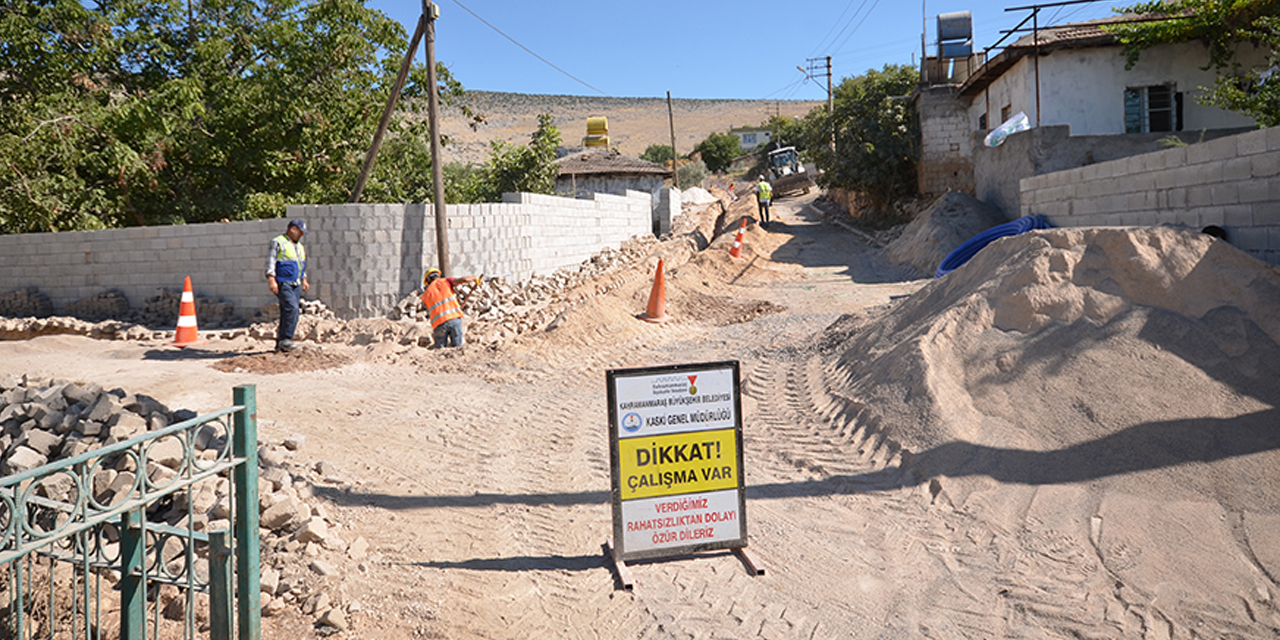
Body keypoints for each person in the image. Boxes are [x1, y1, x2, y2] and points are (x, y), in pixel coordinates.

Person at [266, 219, 309, 353]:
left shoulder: (299, 246)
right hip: (283, 282)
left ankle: (281, 343)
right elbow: (270, 262)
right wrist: (271, 280)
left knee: (288, 312)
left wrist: (304, 279)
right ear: (293, 229)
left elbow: (300, 264)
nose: (301, 235)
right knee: (292, 308)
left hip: (295, 283)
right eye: (300, 232)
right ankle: (286, 339)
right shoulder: (278, 242)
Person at [421, 269, 481, 348]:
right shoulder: (446, 281)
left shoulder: (425, 295)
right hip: (454, 319)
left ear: (428, 280)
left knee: (440, 351)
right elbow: (464, 279)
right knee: (458, 349)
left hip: (439, 324)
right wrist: (475, 278)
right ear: (438, 275)